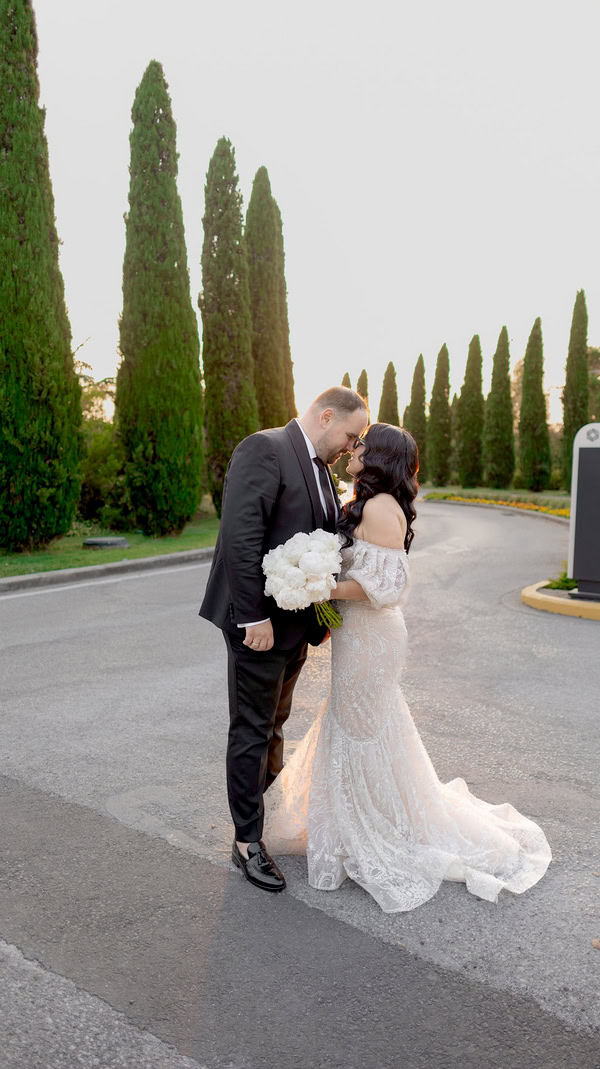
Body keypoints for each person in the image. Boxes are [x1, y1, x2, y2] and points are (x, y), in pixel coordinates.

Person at [264, 423, 552, 911]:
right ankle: (359, 820)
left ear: (378, 456)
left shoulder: (380, 507)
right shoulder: (369, 502)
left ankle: (375, 826)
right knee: (360, 725)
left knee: (361, 728)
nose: (352, 449)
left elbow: (387, 587)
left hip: (372, 637)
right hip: (358, 634)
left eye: (361, 444)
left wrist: (315, 584)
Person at [199, 387, 368, 893]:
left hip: (295, 626)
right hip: (258, 625)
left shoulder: (320, 468)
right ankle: (246, 842)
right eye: (350, 434)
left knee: (274, 725)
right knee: (252, 728)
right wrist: (252, 617)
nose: (351, 445)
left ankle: (262, 811)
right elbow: (241, 537)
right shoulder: (265, 448)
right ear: (326, 416)